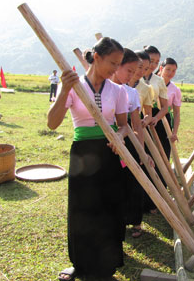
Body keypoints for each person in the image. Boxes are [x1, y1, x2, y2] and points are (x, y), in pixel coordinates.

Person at [48, 37, 129, 281]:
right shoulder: (74, 87)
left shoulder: (118, 91)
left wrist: (119, 137)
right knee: (82, 210)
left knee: (108, 209)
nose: (116, 70)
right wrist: (64, 90)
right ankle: (81, 264)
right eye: (112, 63)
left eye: (119, 64)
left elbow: (124, 126)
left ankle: (107, 265)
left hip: (109, 154)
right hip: (83, 154)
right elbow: (52, 124)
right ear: (96, 57)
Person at [111, 48, 151, 239]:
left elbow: (136, 125)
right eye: (131, 70)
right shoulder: (104, 89)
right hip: (109, 145)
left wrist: (141, 151)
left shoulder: (132, 93)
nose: (133, 74)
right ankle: (115, 222)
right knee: (115, 185)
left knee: (133, 184)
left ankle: (136, 221)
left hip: (129, 145)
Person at [159, 57, 181, 143]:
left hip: (165, 122)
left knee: (164, 149)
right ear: (161, 68)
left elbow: (177, 113)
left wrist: (174, 132)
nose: (170, 73)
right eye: (168, 69)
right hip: (149, 118)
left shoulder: (175, 89)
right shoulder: (152, 83)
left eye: (173, 70)